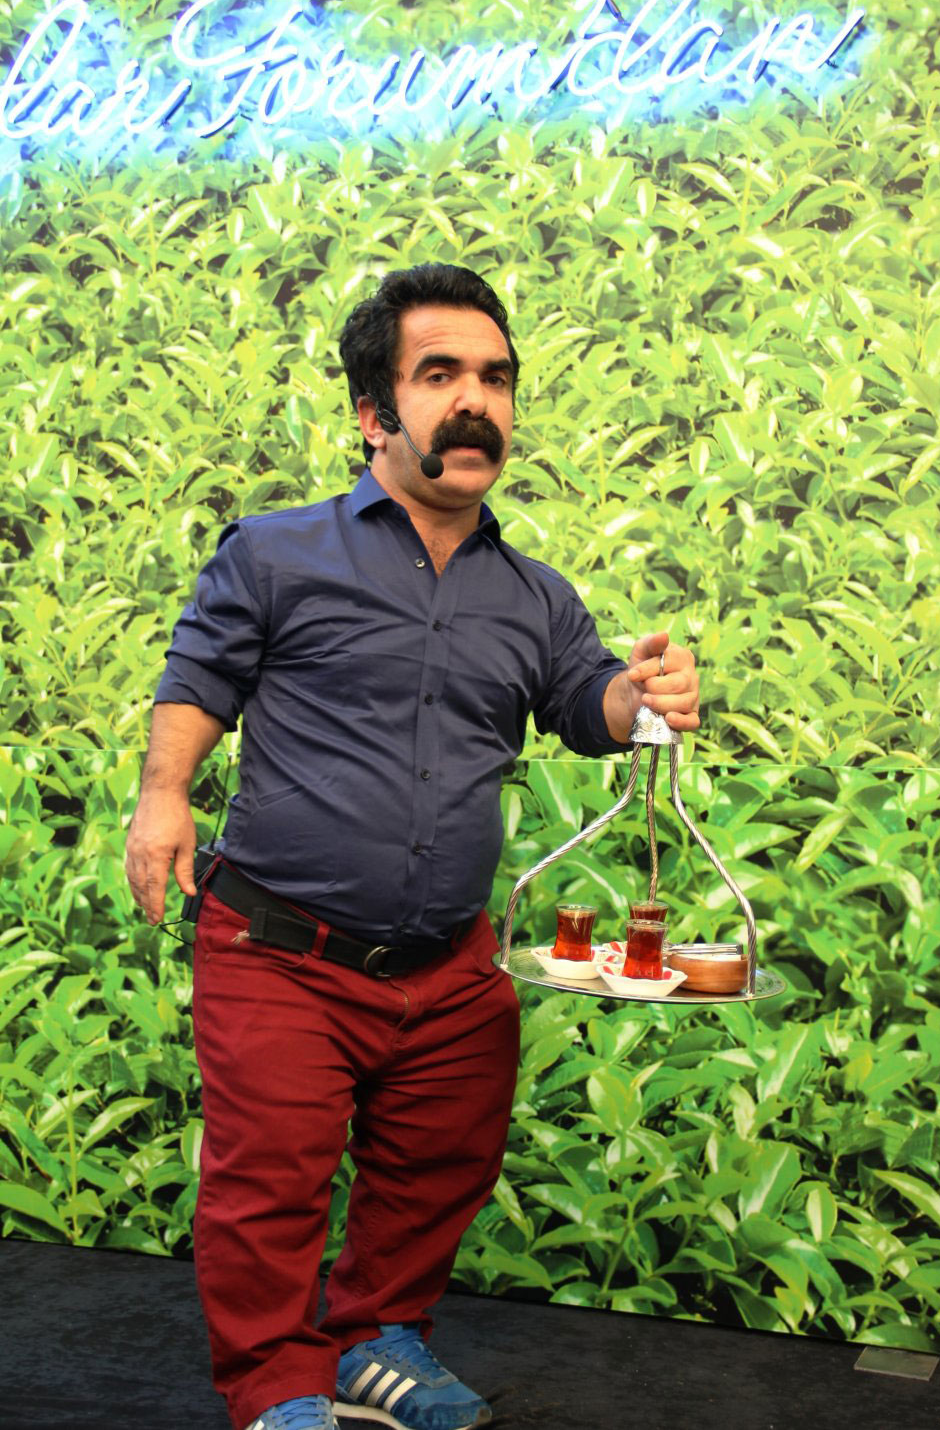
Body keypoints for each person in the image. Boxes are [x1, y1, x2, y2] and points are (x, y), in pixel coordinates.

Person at [125, 265, 700, 1430]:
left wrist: (643, 697)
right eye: (440, 375)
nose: (475, 400)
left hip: (449, 966)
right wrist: (163, 796)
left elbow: (583, 701)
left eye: (494, 377)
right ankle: (277, 1386)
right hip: (281, 946)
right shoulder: (276, 554)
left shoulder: (535, 597)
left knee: (441, 1163)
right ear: (373, 414)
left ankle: (375, 1341)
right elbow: (200, 675)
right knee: (268, 1187)